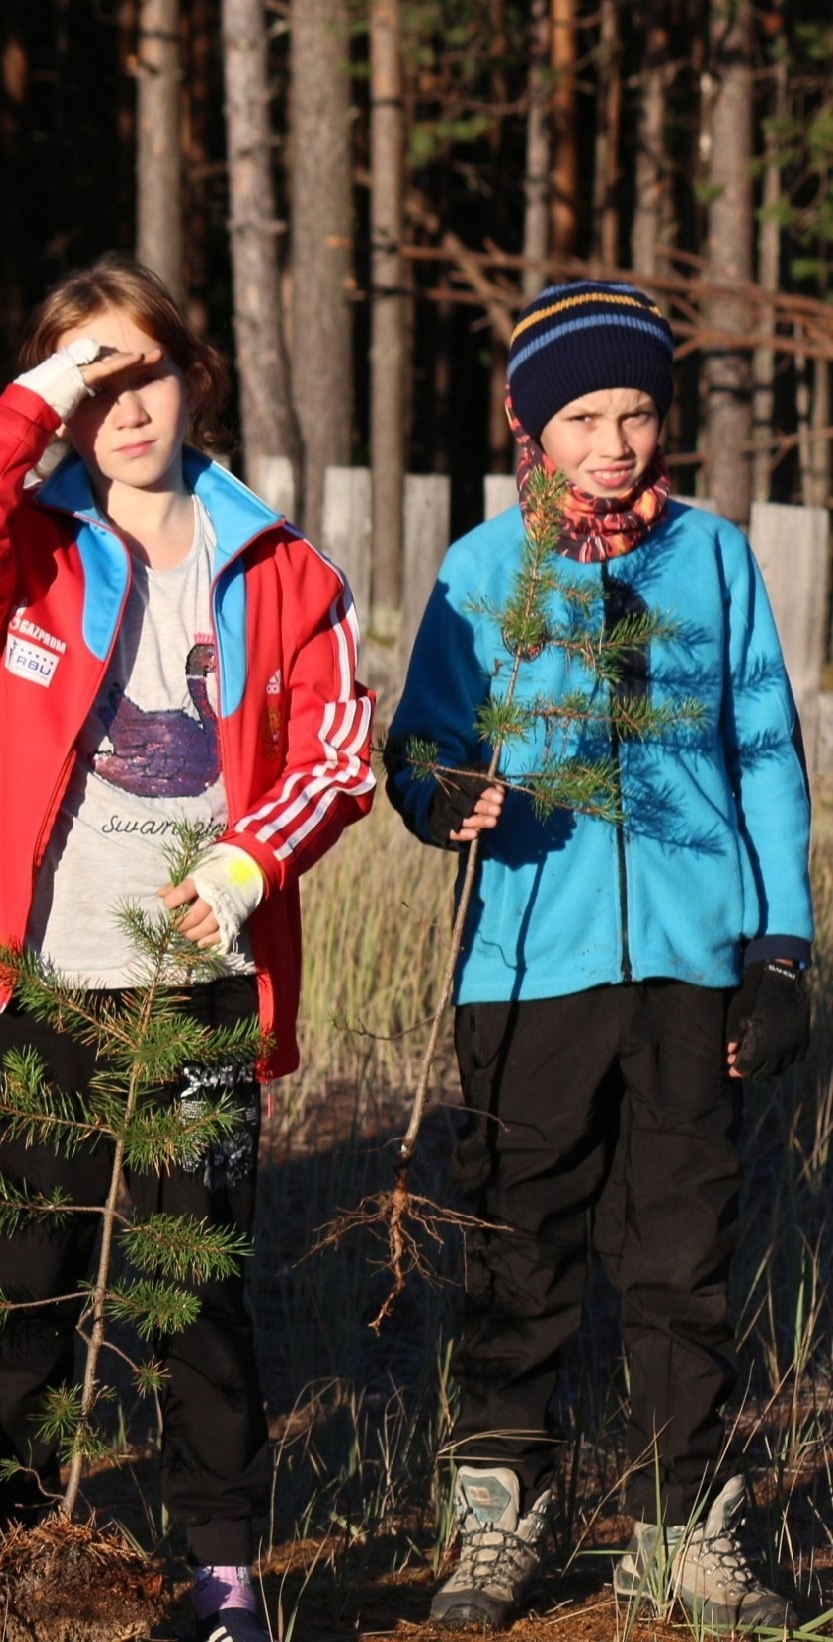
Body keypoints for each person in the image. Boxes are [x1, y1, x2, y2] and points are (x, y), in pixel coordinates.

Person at [0, 255, 376, 1642]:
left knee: (196, 1277)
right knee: (23, 1271)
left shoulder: (280, 566)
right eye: (89, 376)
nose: (124, 399)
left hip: (203, 980)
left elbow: (342, 749)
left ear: (193, 379)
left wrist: (242, 862)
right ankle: (10, 1558)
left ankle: (223, 1570)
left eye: (143, 368)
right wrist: (29, 406)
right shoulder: (34, 550)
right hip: (39, 973)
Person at [387, 281, 813, 1633]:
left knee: (682, 1251)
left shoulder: (715, 559)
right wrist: (445, 791)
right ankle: (506, 1515)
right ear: (534, 428)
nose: (616, 442)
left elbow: (767, 756)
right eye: (585, 416)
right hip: (527, 966)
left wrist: (782, 945)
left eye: (637, 410)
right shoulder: (482, 571)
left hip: (692, 966)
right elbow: (419, 746)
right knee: (519, 1244)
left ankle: (688, 1524)